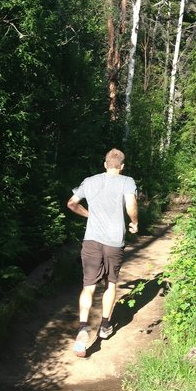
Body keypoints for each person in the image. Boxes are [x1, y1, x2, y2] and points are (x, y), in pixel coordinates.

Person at [67, 148, 139, 357]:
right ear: (122, 166)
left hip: (91, 240)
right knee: (111, 283)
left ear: (104, 164)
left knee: (88, 286)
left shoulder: (89, 181)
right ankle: (104, 326)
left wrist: (90, 215)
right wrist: (134, 223)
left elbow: (71, 203)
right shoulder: (127, 181)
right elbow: (131, 204)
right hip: (114, 241)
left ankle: (82, 328)